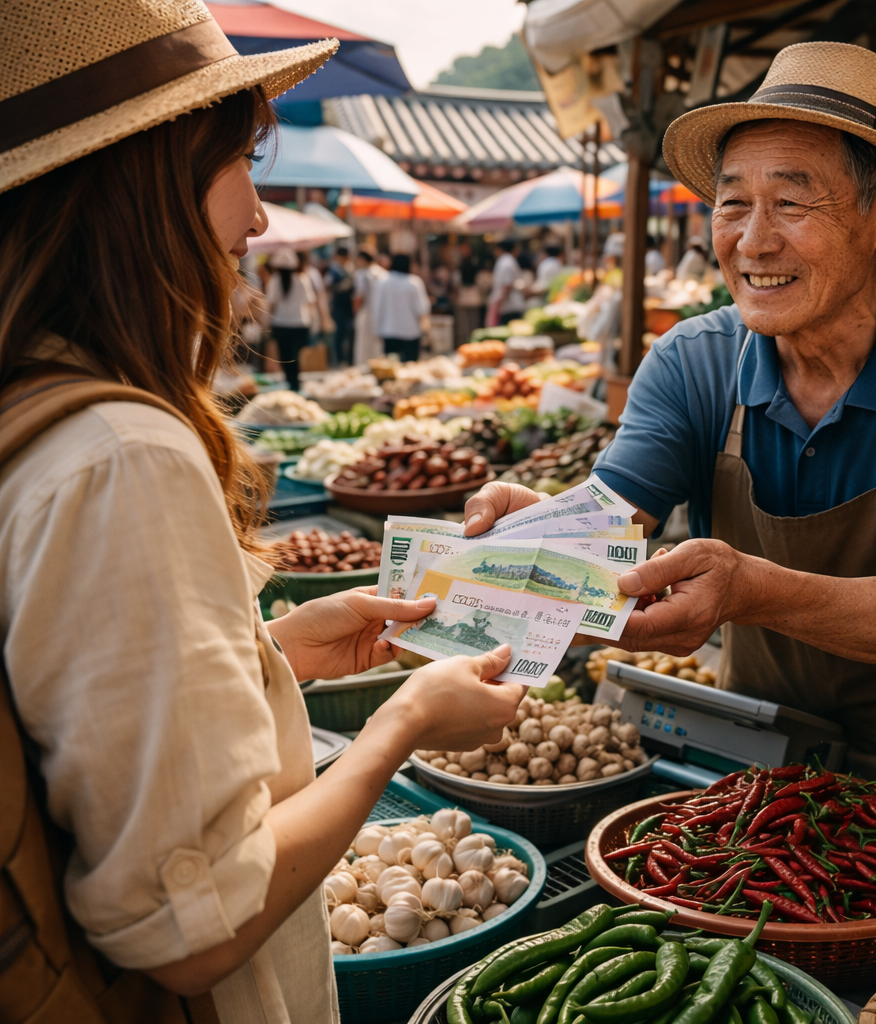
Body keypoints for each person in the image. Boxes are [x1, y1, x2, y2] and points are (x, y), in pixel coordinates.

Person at [0, 4, 523, 1021]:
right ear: (144, 187)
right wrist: (402, 723)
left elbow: (65, 712)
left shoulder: (29, 405)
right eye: (243, 160)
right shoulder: (121, 458)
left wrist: (269, 652)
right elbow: (192, 927)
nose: (260, 217)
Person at [464, 42, 876, 870]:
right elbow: (607, 525)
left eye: (792, 203)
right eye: (731, 205)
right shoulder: (692, 361)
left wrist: (748, 588)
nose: (752, 243)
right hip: (764, 779)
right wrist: (537, 538)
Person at [265, 247, 315, 390]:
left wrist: (266, 324)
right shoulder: (302, 279)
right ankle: (295, 383)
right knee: (296, 356)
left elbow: (270, 304)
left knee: (285, 356)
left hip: (281, 324)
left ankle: (291, 383)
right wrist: (312, 323)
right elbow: (310, 302)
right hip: (300, 323)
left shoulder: (275, 280)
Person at [371, 253, 431, 362]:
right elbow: (422, 309)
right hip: (410, 332)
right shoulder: (414, 282)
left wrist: (377, 330)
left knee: (391, 369)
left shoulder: (383, 282)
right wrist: (427, 333)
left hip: (388, 330)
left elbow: (377, 308)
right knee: (410, 370)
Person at [352, 249, 387, 366]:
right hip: (381, 313)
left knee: (364, 346)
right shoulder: (383, 273)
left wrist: (356, 311)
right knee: (377, 345)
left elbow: (359, 297)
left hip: (366, 312)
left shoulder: (363, 274)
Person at [324, 246, 355, 365]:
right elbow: (328, 286)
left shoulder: (350, 269)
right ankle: (340, 359)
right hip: (338, 306)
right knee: (340, 333)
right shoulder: (334, 270)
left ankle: (348, 358)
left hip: (348, 306)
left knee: (349, 332)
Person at [487, 238, 526, 326]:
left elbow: (506, 286)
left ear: (500, 249)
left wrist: (497, 306)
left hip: (509, 307)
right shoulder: (509, 260)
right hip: (510, 305)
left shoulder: (505, 262)